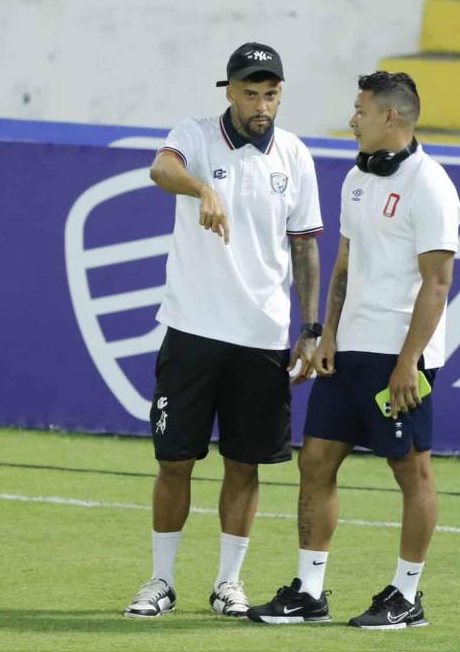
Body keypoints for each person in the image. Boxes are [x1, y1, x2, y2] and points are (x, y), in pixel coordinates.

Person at [247, 70, 460, 630]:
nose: (353, 119)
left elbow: (437, 284)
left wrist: (409, 361)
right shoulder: (356, 178)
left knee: (410, 471)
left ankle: (406, 595)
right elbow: (344, 262)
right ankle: (310, 592)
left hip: (401, 356)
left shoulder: (431, 186)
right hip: (350, 349)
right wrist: (326, 332)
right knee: (315, 460)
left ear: (391, 116)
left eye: (361, 110)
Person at [123, 42, 324, 619]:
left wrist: (310, 328)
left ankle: (228, 584)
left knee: (245, 464)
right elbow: (161, 168)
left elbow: (305, 245)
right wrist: (203, 188)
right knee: (175, 462)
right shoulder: (196, 134)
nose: (262, 104)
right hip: (191, 329)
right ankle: (160, 581)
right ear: (230, 92)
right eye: (250, 93)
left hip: (261, 336)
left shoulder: (295, 156)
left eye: (271, 93)